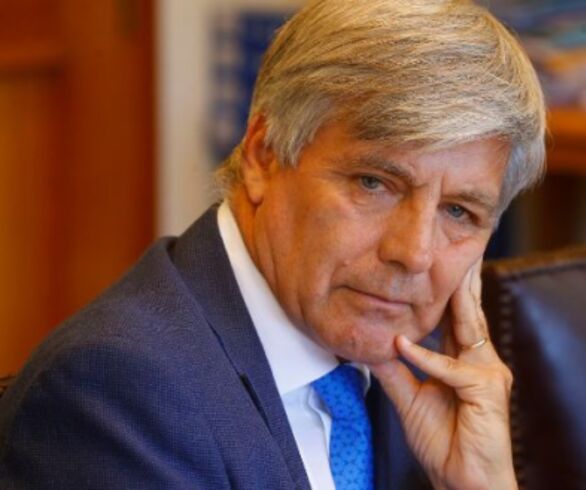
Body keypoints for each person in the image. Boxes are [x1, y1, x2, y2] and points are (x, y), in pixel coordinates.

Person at [0, 0, 545, 488]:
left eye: (459, 212)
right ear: (264, 154)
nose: (414, 253)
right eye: (373, 183)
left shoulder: (431, 375)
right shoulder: (118, 390)